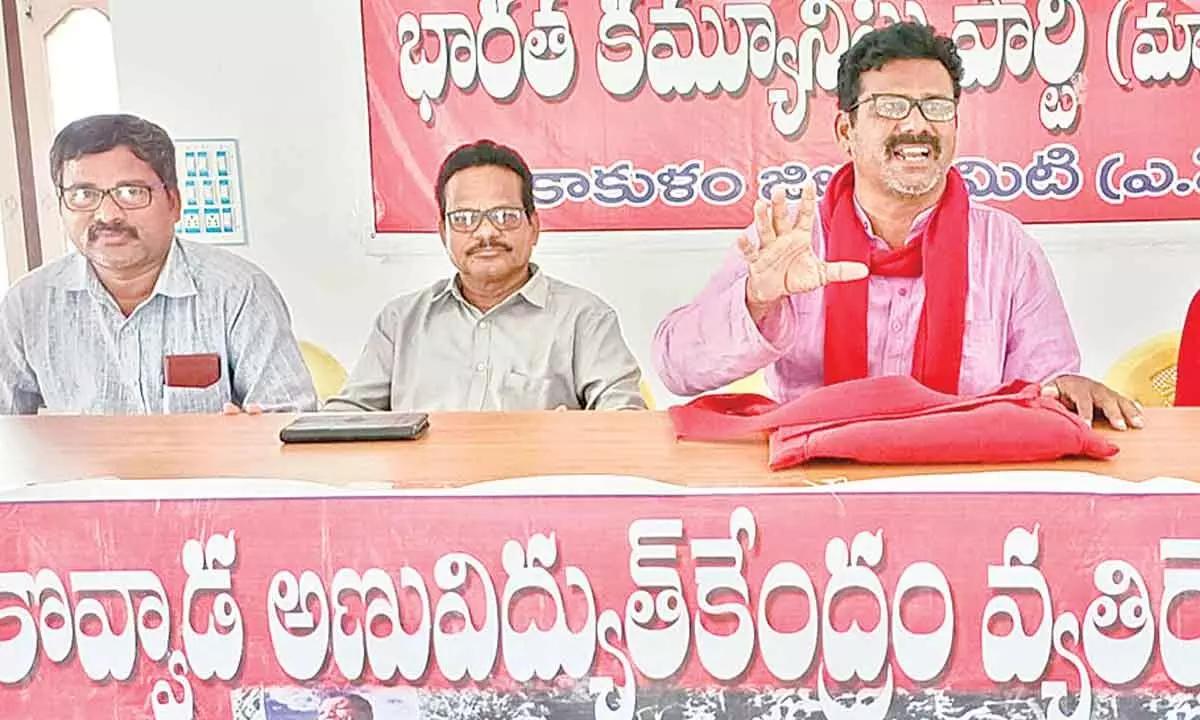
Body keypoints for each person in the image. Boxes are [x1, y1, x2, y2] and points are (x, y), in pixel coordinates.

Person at [652, 22, 1142, 430]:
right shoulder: (791, 243)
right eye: (890, 106)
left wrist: (1068, 388)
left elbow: (1045, 391)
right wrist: (758, 301)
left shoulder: (1004, 249)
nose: (916, 125)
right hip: (814, 487)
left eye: (935, 106)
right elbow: (676, 368)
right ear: (847, 131)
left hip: (965, 485)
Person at [0, 113, 316, 414]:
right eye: (84, 194)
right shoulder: (28, 304)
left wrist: (253, 433)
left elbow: (290, 417)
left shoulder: (239, 291)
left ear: (173, 203)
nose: (107, 215)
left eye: (131, 192)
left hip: (212, 471)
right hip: (83, 472)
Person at [328, 139, 645, 412]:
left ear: (533, 227)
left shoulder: (585, 319)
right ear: (443, 232)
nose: (487, 232)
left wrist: (568, 436)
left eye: (505, 216)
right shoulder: (400, 321)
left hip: (537, 482)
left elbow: (623, 419)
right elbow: (350, 416)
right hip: (425, 483)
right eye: (464, 218)